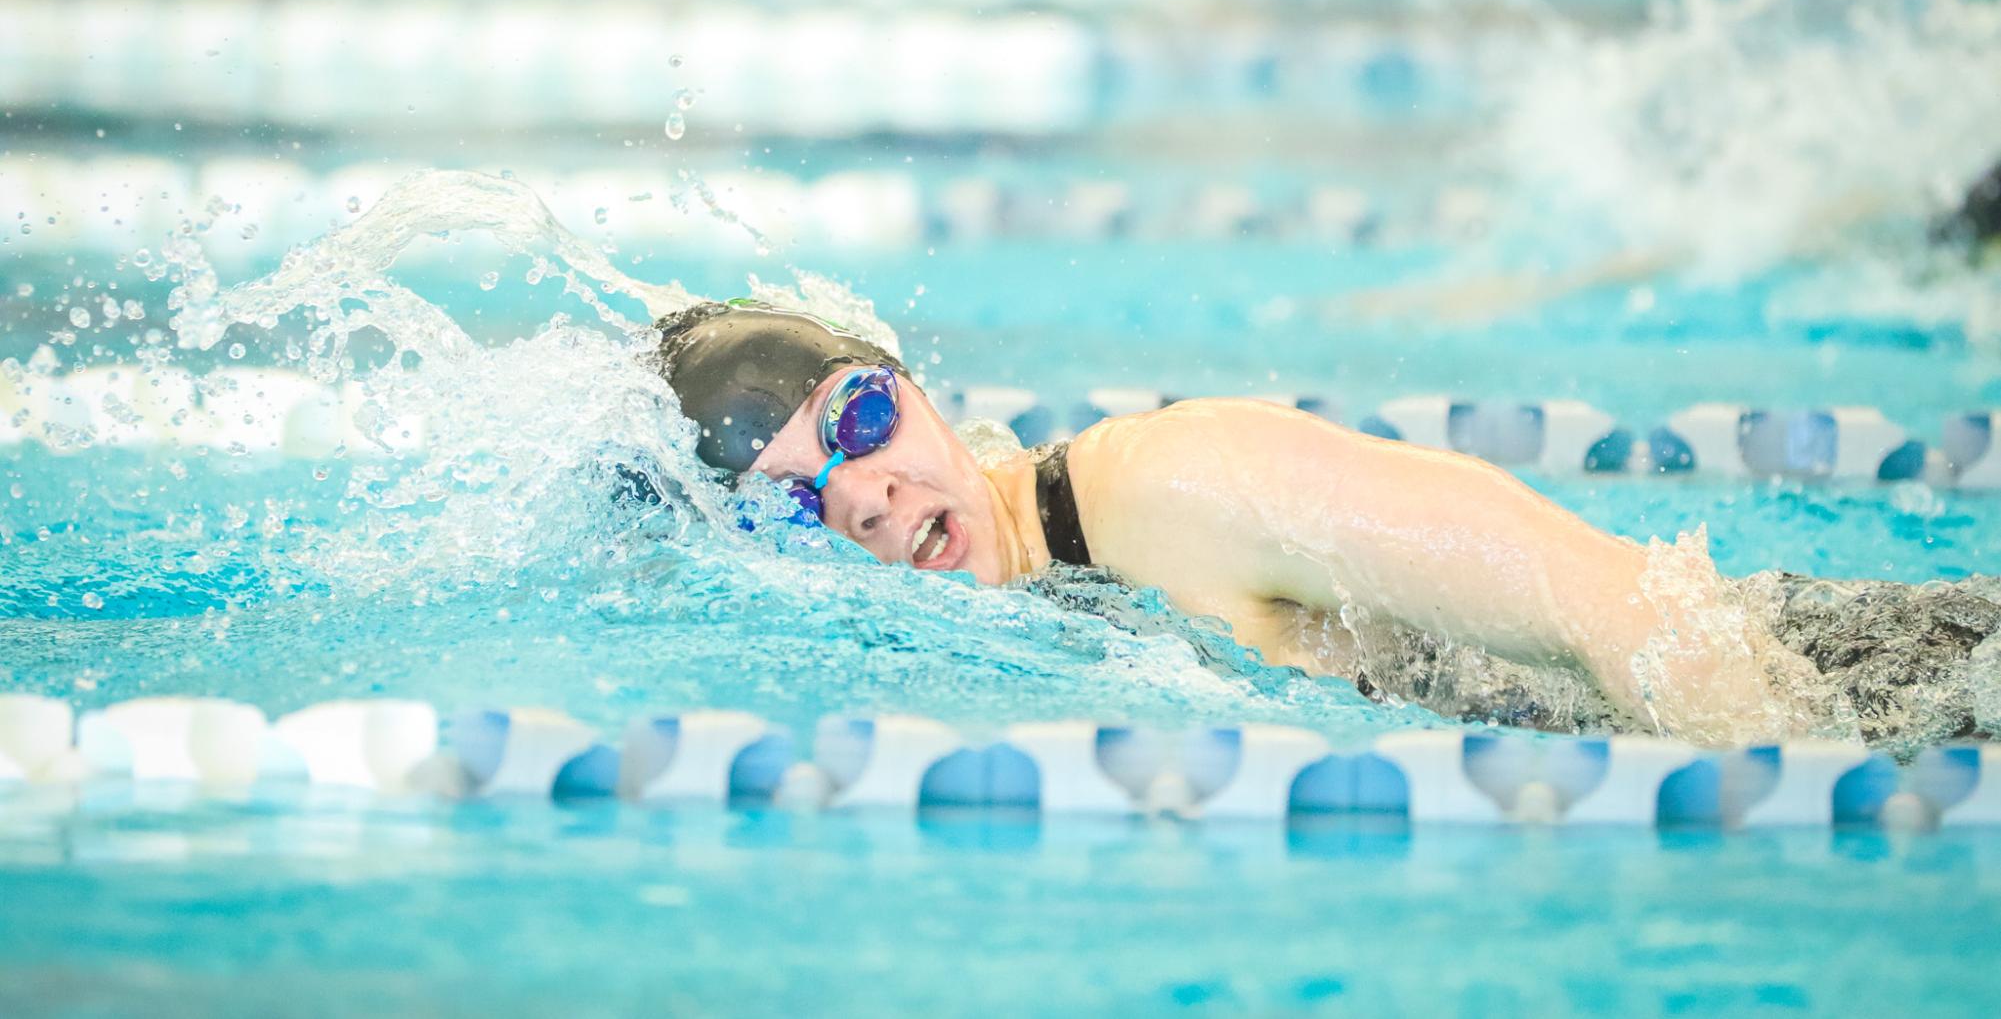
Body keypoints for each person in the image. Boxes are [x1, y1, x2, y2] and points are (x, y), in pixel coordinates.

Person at [652, 299, 2000, 752]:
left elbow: (1627, 611)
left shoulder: (1173, 484)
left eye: (858, 420)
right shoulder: (997, 623)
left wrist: (1798, 806)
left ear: (915, 383)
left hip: (1874, 684)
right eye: (796, 497)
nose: (865, 492)